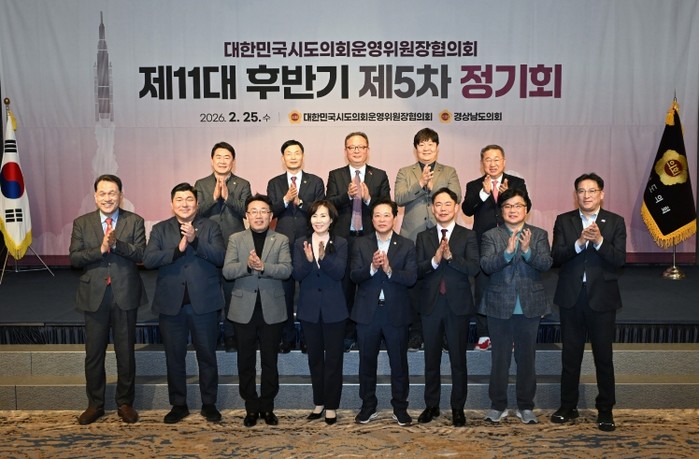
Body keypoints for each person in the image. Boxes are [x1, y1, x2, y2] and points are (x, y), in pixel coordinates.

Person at [143, 183, 226, 424]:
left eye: (189, 199)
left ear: (197, 203)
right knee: (174, 357)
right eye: (179, 199)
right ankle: (178, 404)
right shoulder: (160, 229)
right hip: (171, 305)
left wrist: (195, 241)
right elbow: (148, 259)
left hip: (204, 304)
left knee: (207, 356)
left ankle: (209, 404)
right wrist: (177, 250)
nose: (184, 204)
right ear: (172, 204)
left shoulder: (211, 227)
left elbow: (220, 257)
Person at [550, 173, 626, 432]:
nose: (586, 195)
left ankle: (605, 410)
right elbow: (556, 257)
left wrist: (599, 241)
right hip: (572, 297)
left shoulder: (615, 221)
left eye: (592, 190)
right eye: (581, 191)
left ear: (601, 194)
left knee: (603, 357)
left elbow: (619, 260)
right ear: (576, 195)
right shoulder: (564, 220)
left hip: (602, 298)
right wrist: (580, 242)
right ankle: (567, 406)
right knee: (570, 356)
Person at [69, 174, 147, 425]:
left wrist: (117, 244)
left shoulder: (134, 221)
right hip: (94, 296)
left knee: (126, 353)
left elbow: (141, 253)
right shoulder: (82, 223)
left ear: (120, 195)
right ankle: (95, 404)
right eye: (102, 193)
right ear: (95, 196)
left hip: (125, 293)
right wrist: (101, 249)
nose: (107, 198)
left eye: (112, 193)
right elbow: (75, 258)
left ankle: (125, 403)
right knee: (94, 353)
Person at [479, 188, 552, 425]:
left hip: (529, 306)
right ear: (501, 211)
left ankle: (525, 406)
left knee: (526, 359)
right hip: (499, 305)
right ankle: (497, 405)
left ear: (526, 209)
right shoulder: (491, 235)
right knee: (499, 359)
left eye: (518, 205)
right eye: (508, 206)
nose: (513, 210)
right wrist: (507, 253)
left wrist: (528, 251)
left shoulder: (538, 234)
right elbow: (486, 266)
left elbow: (546, 264)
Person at [223, 194, 292, 427]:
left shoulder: (281, 239)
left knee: (270, 361)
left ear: (271, 216)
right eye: (254, 211)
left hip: (272, 309)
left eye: (263, 211)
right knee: (246, 361)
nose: (259, 215)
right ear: (246, 216)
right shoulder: (236, 239)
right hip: (244, 309)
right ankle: (251, 407)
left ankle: (268, 407)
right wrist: (247, 265)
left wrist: (264, 267)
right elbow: (227, 271)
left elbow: (286, 270)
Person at [350, 198, 417, 426]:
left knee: (398, 364)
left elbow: (411, 278)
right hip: (367, 313)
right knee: (366, 363)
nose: (381, 219)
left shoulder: (407, 244)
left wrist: (389, 270)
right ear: (372, 219)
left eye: (386, 215)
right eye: (377, 215)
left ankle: (400, 407)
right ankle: (368, 406)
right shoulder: (361, 244)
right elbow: (354, 275)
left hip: (395, 313)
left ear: (394, 218)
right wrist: (371, 267)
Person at [415, 188, 479, 427]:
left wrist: (451, 257)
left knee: (458, 360)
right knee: (430, 359)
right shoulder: (424, 237)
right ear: (432, 208)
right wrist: (434, 260)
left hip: (457, 306)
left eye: (447, 204)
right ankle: (431, 405)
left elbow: (474, 268)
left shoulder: (468, 235)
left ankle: (457, 408)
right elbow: (417, 270)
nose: (442, 208)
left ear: (456, 207)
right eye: (438, 204)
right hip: (431, 305)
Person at [395, 128, 462, 351]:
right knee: (414, 286)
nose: (426, 148)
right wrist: (420, 183)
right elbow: (399, 198)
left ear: (437, 147)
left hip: (440, 235)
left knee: (441, 284)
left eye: (430, 144)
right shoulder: (405, 172)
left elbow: (456, 197)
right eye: (421, 144)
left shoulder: (449, 171)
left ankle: (442, 333)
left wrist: (434, 189)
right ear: (416, 148)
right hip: (412, 237)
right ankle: (416, 333)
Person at [327, 131, 391, 351]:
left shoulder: (379, 175)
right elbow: (329, 205)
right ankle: (347, 333)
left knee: (369, 286)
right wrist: (346, 196)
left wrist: (368, 198)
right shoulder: (336, 175)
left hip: (369, 239)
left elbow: (387, 207)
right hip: (344, 240)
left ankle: (369, 331)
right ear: (345, 151)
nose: (356, 151)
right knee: (345, 288)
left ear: (367, 150)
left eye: (360, 147)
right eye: (352, 147)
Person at [462, 144, 527, 351]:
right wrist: (484, 193)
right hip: (484, 244)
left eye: (496, 159)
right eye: (488, 159)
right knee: (483, 288)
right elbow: (467, 209)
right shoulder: (475, 185)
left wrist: (509, 196)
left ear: (504, 161)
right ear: (482, 163)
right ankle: (484, 335)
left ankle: (511, 335)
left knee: (511, 286)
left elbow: (527, 205)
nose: (492, 163)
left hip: (511, 240)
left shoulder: (516, 183)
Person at [292, 200, 348, 425]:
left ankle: (332, 405)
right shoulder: (300, 243)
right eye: (314, 216)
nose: (318, 220)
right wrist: (308, 262)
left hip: (334, 309)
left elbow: (339, 273)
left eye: (323, 216)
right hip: (309, 310)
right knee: (315, 358)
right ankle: (319, 402)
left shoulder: (341, 243)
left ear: (331, 219)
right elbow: (297, 274)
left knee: (334, 359)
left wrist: (323, 259)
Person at [267, 139, 325, 353]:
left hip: (308, 242)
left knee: (308, 292)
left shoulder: (315, 181)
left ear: (303, 156)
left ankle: (309, 338)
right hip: (282, 244)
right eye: (288, 153)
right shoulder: (275, 183)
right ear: (283, 158)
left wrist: (299, 202)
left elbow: (320, 210)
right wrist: (285, 200)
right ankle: (288, 337)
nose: (293, 156)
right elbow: (270, 211)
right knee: (285, 293)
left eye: (297, 152)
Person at [195, 141, 252, 353]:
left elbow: (247, 211)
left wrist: (228, 198)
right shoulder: (201, 184)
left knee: (232, 295)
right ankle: (210, 337)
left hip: (233, 246)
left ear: (233, 162)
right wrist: (213, 198)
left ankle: (230, 336)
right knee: (208, 294)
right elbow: (195, 212)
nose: (222, 161)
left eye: (227, 157)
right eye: (218, 157)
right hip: (207, 246)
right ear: (212, 161)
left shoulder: (242, 184)